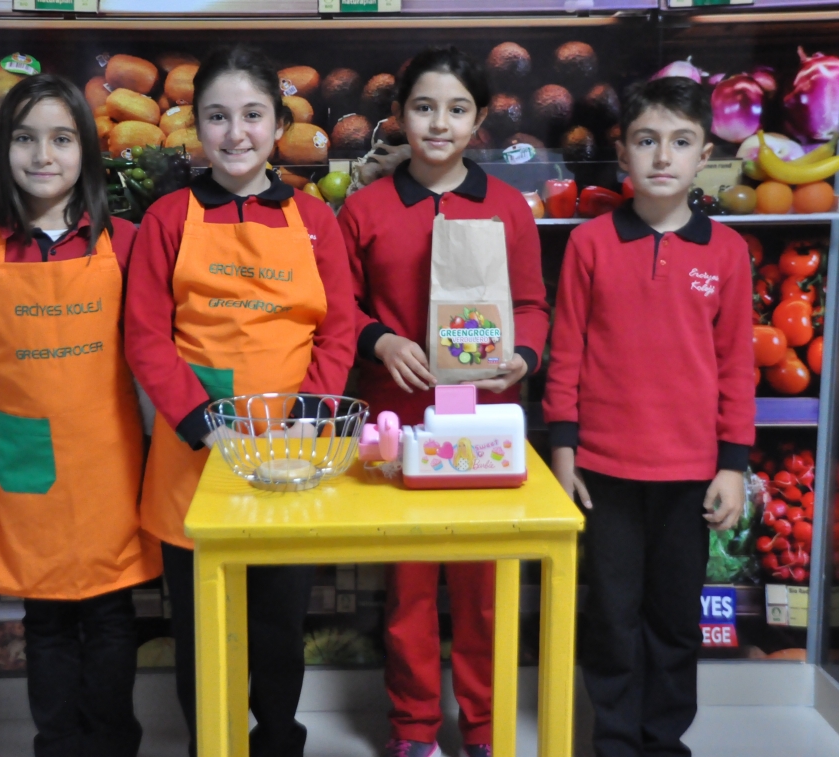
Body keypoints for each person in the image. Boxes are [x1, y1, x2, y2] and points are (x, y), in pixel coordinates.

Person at [123, 45, 356, 757]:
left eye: (252, 116)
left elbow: (340, 326)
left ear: (279, 126)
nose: (235, 133)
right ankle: (213, 744)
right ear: (196, 126)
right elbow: (145, 336)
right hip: (194, 458)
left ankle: (279, 739)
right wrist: (200, 421)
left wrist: (310, 412)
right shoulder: (168, 218)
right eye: (217, 117)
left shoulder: (315, 219)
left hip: (289, 455)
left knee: (280, 629)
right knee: (202, 631)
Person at [338, 46, 550, 757]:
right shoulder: (364, 209)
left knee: (485, 585)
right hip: (398, 420)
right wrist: (380, 342)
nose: (439, 123)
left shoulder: (508, 209)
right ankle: (413, 727)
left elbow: (533, 305)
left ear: (479, 118)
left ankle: (486, 729)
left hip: (484, 419)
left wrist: (523, 356)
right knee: (409, 587)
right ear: (399, 116)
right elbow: (340, 307)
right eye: (424, 107)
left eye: (457, 109)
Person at [0, 74, 158, 757]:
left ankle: (114, 743)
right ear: (2, 149)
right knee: (45, 617)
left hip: (109, 458)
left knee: (111, 612)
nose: (43, 155)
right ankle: (59, 744)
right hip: (24, 460)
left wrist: (159, 445)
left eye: (62, 139)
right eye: (25, 139)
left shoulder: (125, 241)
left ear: (86, 150)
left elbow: (146, 359)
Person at [543, 76, 755, 757]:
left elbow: (737, 366)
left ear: (705, 156)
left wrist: (733, 465)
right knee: (610, 617)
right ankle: (613, 742)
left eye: (681, 142)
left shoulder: (727, 253)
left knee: (674, 622)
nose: (663, 156)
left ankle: (663, 742)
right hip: (605, 472)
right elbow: (565, 354)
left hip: (691, 475)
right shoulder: (591, 244)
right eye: (646, 141)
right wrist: (564, 452)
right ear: (623, 153)